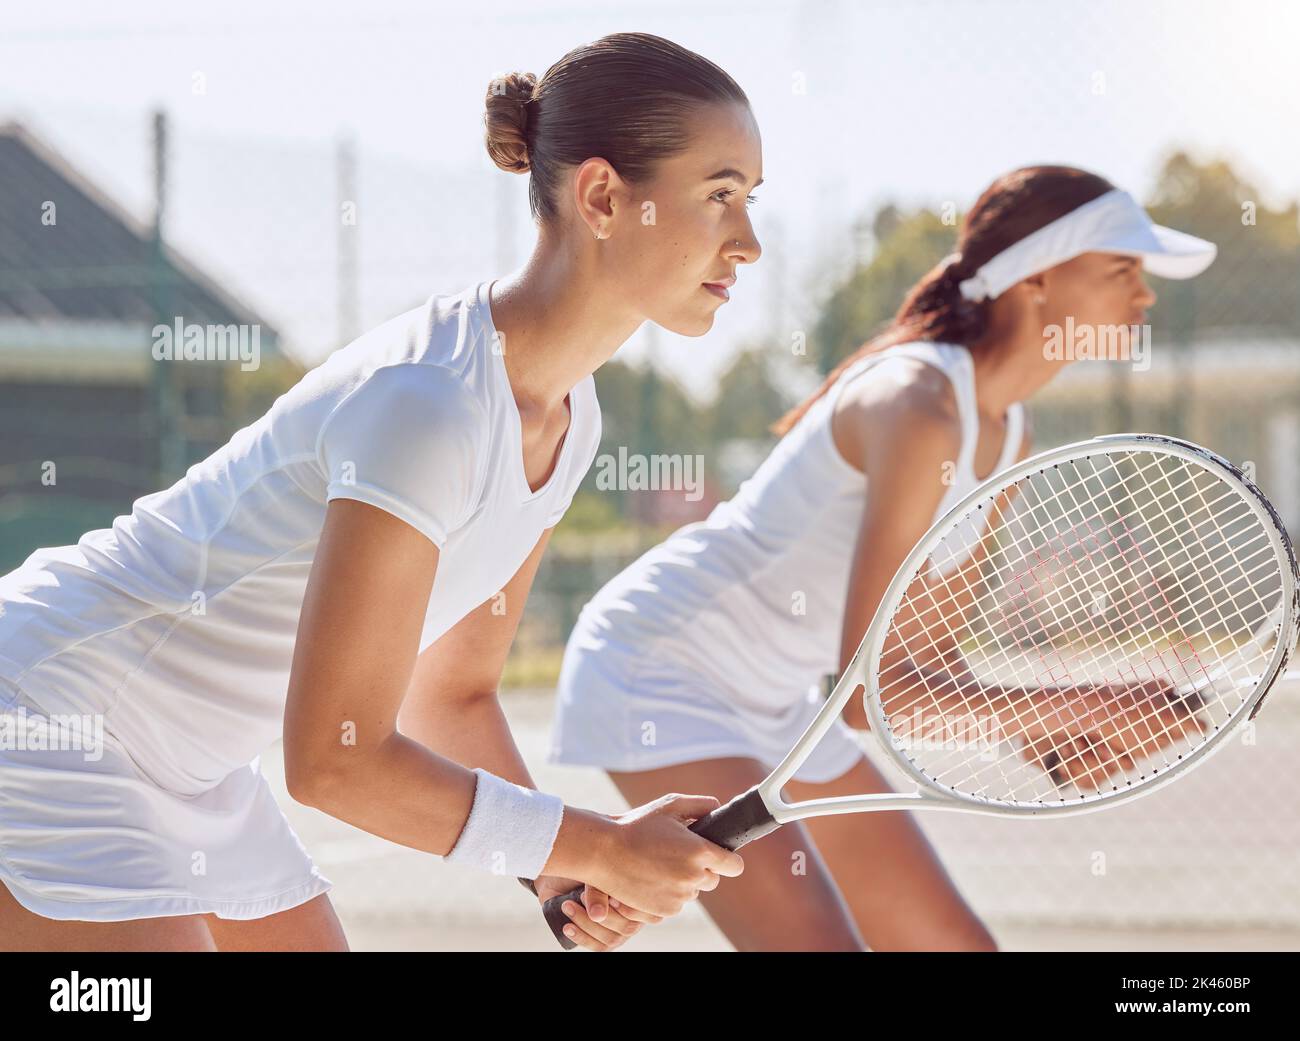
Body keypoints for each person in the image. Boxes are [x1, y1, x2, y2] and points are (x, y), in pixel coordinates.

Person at [0, 31, 762, 953]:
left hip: (191, 765)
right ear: (603, 197)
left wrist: (566, 869)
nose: (748, 242)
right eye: (720, 196)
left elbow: (454, 695)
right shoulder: (427, 408)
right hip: (52, 713)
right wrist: (601, 844)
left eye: (749, 201)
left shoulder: (570, 419)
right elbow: (334, 758)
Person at [550, 165, 1217, 951]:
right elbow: (871, 698)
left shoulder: (1006, 432)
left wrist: (1053, 739)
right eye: (1120, 270)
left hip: (777, 703)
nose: (1144, 297)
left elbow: (920, 671)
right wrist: (1089, 704)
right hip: (657, 665)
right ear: (1037, 278)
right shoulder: (919, 405)